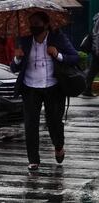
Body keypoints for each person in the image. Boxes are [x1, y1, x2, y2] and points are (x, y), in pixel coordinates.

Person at [10, 11, 79, 171]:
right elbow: (14, 67)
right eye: (31, 23)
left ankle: (59, 146)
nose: (34, 26)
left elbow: (74, 57)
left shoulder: (57, 37)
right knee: (30, 124)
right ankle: (33, 160)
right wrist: (17, 58)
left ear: (46, 24)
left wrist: (58, 54)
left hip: (53, 86)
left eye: (37, 23)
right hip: (30, 87)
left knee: (54, 122)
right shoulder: (25, 40)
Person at [81, 13, 99, 97]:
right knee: (92, 71)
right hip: (97, 51)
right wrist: (97, 50)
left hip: (96, 50)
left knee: (92, 70)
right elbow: (96, 36)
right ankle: (86, 89)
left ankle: (86, 89)